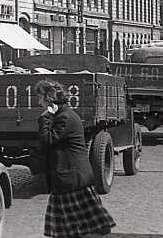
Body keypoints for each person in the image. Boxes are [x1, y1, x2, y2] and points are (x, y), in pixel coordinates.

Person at [36, 79, 116, 238]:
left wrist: (45, 117)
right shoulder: (64, 114)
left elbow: (48, 140)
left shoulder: (64, 117)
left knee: (82, 228)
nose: (39, 102)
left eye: (40, 98)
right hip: (70, 176)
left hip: (72, 178)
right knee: (75, 229)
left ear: (49, 98)